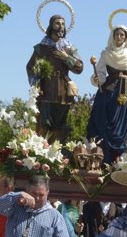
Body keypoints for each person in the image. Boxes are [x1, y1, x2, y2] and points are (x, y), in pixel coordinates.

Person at [86, 25, 127, 162]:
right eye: (117, 34)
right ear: (113, 36)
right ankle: (104, 157)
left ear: (126, 37)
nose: (119, 37)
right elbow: (100, 71)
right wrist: (97, 78)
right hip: (109, 93)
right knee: (105, 122)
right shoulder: (106, 53)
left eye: (122, 35)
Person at [27, 14, 84, 142]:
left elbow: (79, 67)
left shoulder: (69, 48)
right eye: (57, 23)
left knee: (60, 127)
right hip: (46, 92)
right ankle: (41, 150)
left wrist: (66, 58)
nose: (61, 27)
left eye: (63, 24)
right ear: (51, 26)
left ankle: (58, 152)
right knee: (44, 125)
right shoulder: (41, 48)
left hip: (63, 93)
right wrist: (36, 85)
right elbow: (30, 67)